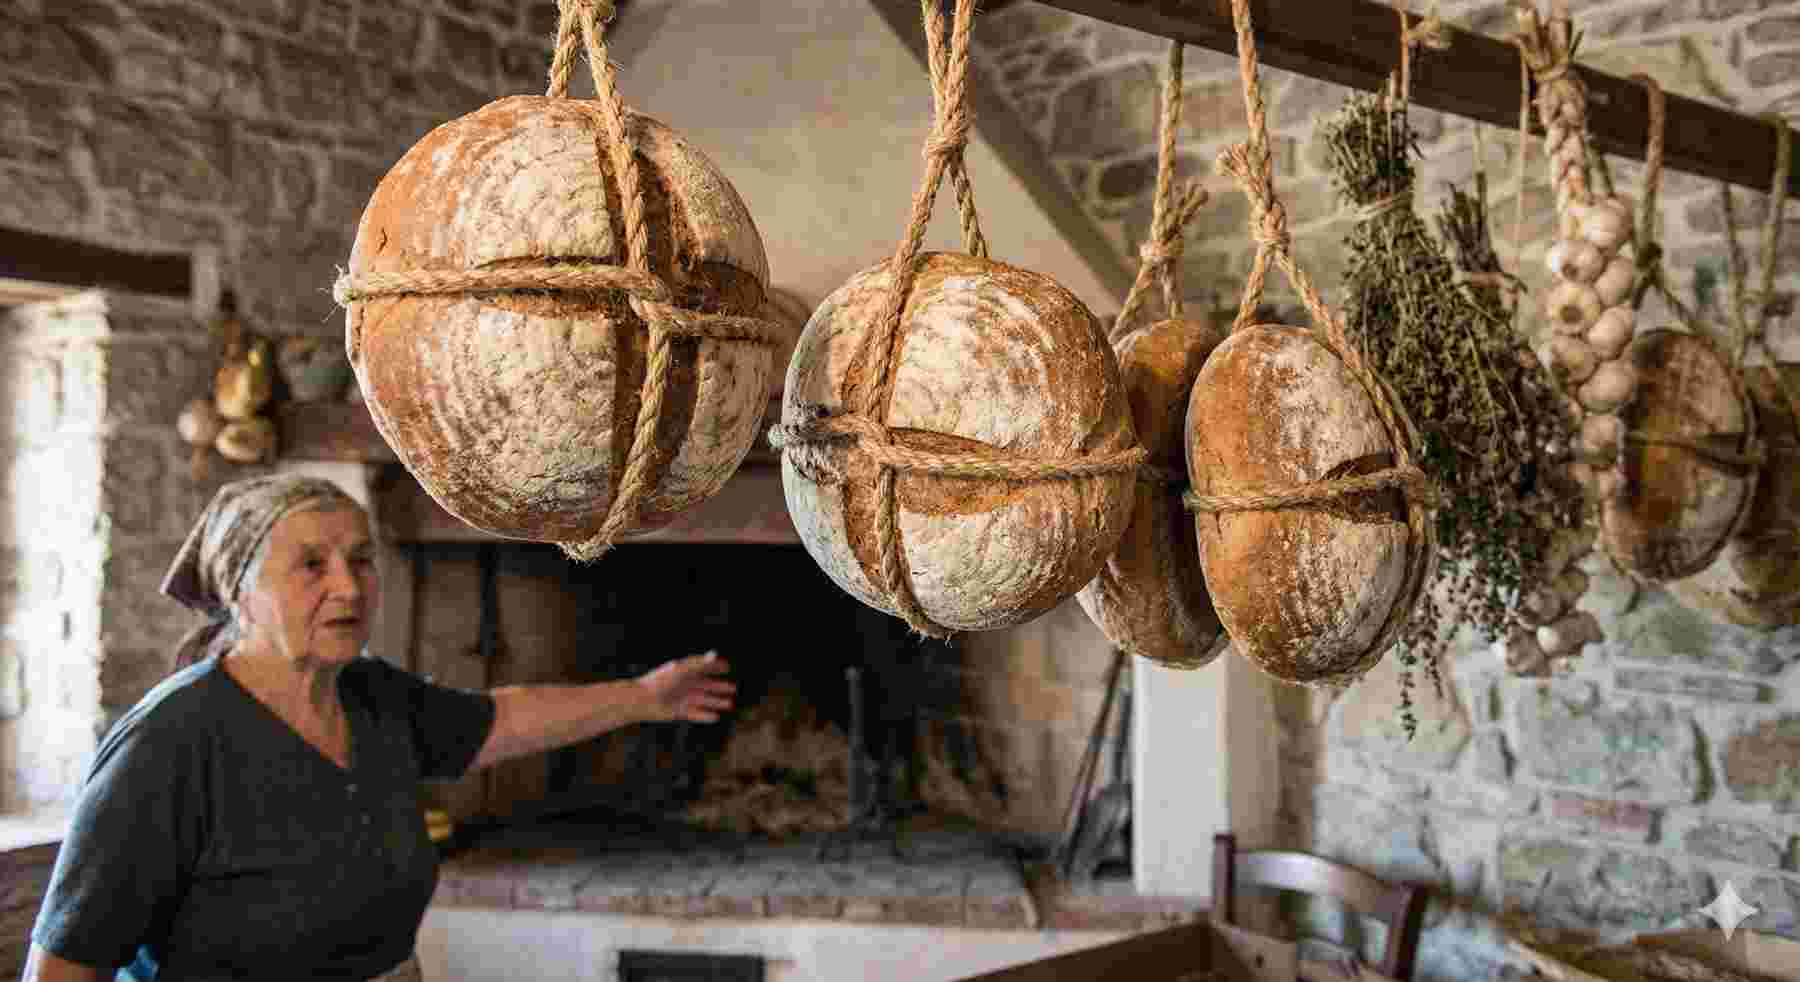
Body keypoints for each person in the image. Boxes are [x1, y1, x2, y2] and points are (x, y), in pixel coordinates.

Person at [24, 475, 736, 982]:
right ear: (241, 590)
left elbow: (500, 721)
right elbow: (65, 962)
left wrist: (644, 697)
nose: (349, 586)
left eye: (361, 560)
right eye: (312, 565)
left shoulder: (372, 695)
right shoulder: (170, 742)